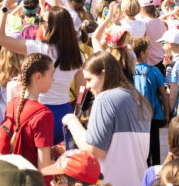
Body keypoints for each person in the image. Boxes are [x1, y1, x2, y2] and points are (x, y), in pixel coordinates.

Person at [0, 0, 85, 144]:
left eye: (43, 21)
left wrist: (4, 9)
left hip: (38, 111)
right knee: (60, 160)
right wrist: (78, 113)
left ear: (51, 26)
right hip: (65, 112)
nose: (40, 23)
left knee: (37, 160)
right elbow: (82, 88)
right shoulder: (77, 55)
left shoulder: (38, 48)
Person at [62, 51, 152, 186]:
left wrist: (71, 121)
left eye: (89, 79)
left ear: (103, 74)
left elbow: (93, 150)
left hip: (112, 180)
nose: (87, 86)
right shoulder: (139, 99)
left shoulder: (104, 99)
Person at [0, 53, 54, 175]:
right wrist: (64, 163)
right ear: (38, 77)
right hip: (32, 179)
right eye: (51, 75)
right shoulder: (44, 114)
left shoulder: (13, 103)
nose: (53, 79)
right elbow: (44, 168)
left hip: (16, 174)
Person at [131, 36, 170, 166]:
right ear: (142, 53)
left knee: (142, 150)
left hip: (136, 116)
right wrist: (167, 114)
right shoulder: (154, 70)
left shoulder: (129, 72)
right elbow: (164, 95)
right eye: (148, 50)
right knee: (156, 148)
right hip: (155, 115)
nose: (150, 53)